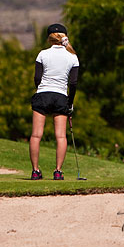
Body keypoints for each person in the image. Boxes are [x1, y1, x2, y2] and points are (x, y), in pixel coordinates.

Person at [29, 23, 79, 180]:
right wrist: (70, 103)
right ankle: (58, 171)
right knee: (61, 136)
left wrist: (40, 90)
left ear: (49, 39)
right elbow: (73, 83)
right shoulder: (72, 56)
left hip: (43, 94)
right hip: (61, 97)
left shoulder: (42, 54)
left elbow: (37, 77)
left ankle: (35, 171)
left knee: (36, 135)